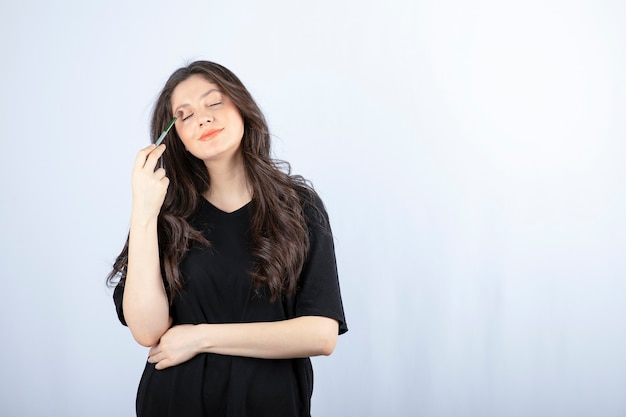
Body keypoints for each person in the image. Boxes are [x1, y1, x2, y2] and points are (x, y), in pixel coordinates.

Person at [107, 60, 347, 417]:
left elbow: (321, 335)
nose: (202, 118)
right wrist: (143, 211)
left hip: (272, 404)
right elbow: (147, 331)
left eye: (214, 102)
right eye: (184, 115)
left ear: (242, 107)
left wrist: (201, 337)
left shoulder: (298, 207)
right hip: (175, 402)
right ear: (175, 137)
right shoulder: (164, 215)